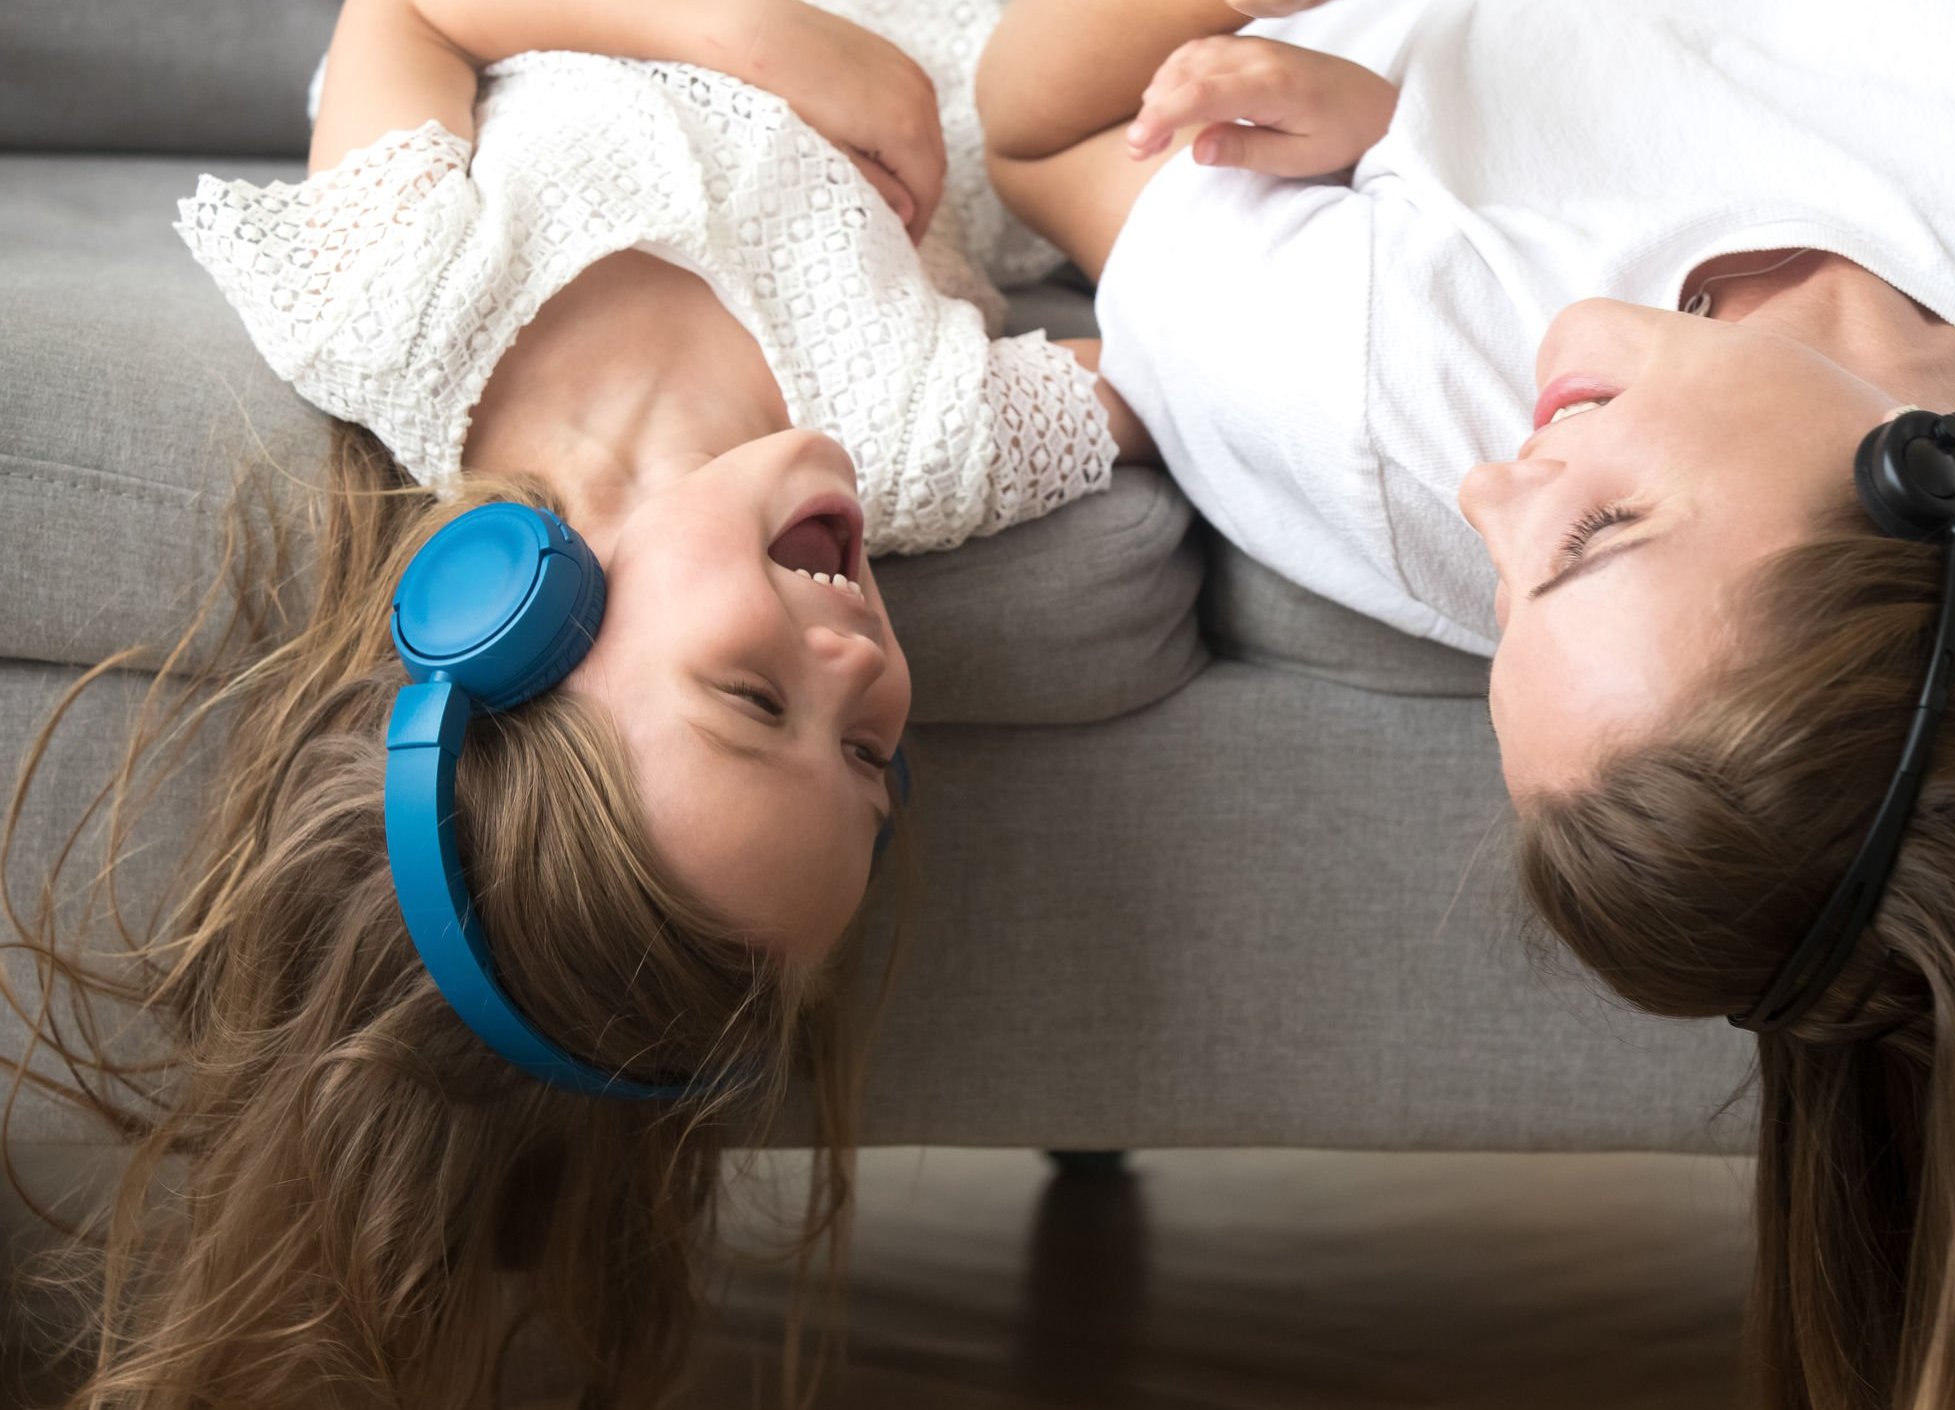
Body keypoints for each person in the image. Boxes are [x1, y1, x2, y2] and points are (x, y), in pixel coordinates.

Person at [976, 1, 1955, 1405]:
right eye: (1599, 533)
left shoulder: (1380, 406)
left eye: (1500, 592)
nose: (1493, 484)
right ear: (1917, 497)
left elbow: (1044, 136)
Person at [0, 0, 1134, 1404]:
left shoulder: (403, 310)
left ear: (516, 625)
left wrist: (779, 44)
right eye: (864, 754)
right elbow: (1195, 371)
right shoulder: (930, 441)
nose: (859, 670)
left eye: (750, 698)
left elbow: (411, 9)